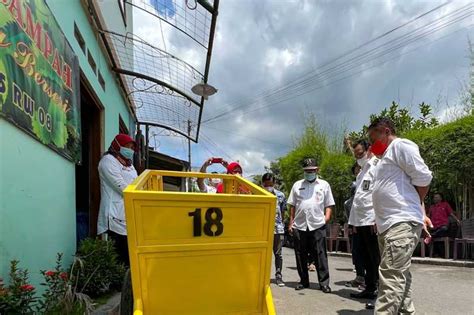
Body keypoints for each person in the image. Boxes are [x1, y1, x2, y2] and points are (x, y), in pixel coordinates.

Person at [368, 117, 433, 314]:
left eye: (374, 138)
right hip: (388, 225)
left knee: (391, 277)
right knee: (399, 275)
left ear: (386, 131)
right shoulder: (383, 159)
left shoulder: (400, 146)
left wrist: (415, 203)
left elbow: (423, 178)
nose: (372, 145)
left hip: (401, 222)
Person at [287, 158, 335, 293]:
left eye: (312, 170)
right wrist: (291, 222)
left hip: (317, 224)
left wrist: (326, 217)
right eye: (307, 171)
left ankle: (324, 283)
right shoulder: (297, 185)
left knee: (320, 254)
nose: (309, 173)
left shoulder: (324, 185)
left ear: (317, 170)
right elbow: (293, 205)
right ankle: (303, 281)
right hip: (300, 225)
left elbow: (329, 203)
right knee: (300, 254)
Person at [348, 140, 381, 307]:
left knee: (376, 258)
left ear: (370, 150)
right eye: (355, 155)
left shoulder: (377, 166)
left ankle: (381, 295)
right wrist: (353, 222)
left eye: (360, 153)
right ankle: (369, 288)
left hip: (371, 220)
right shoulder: (361, 172)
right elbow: (358, 199)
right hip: (360, 222)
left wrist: (377, 218)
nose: (358, 157)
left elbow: (380, 194)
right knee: (365, 258)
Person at [97, 134, 138, 267]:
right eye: (127, 146)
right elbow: (121, 186)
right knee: (120, 255)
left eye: (132, 147)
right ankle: (119, 285)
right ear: (117, 145)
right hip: (114, 213)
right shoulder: (108, 161)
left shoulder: (129, 164)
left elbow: (136, 183)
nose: (130, 150)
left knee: (129, 254)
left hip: (128, 213)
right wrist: (138, 193)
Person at [262, 173, 287, 287]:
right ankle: (262, 276)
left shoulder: (280, 195)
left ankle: (278, 275)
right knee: (262, 254)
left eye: (270, 184)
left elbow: (282, 212)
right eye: (266, 184)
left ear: (274, 183)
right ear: (262, 184)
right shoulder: (258, 194)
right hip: (262, 229)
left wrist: (280, 224)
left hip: (277, 229)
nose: (268, 186)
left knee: (278, 254)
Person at [344, 162, 365, 289]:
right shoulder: (349, 201)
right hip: (354, 223)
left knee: (369, 253)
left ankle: (370, 280)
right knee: (356, 251)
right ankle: (360, 276)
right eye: (356, 169)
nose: (358, 171)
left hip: (368, 222)